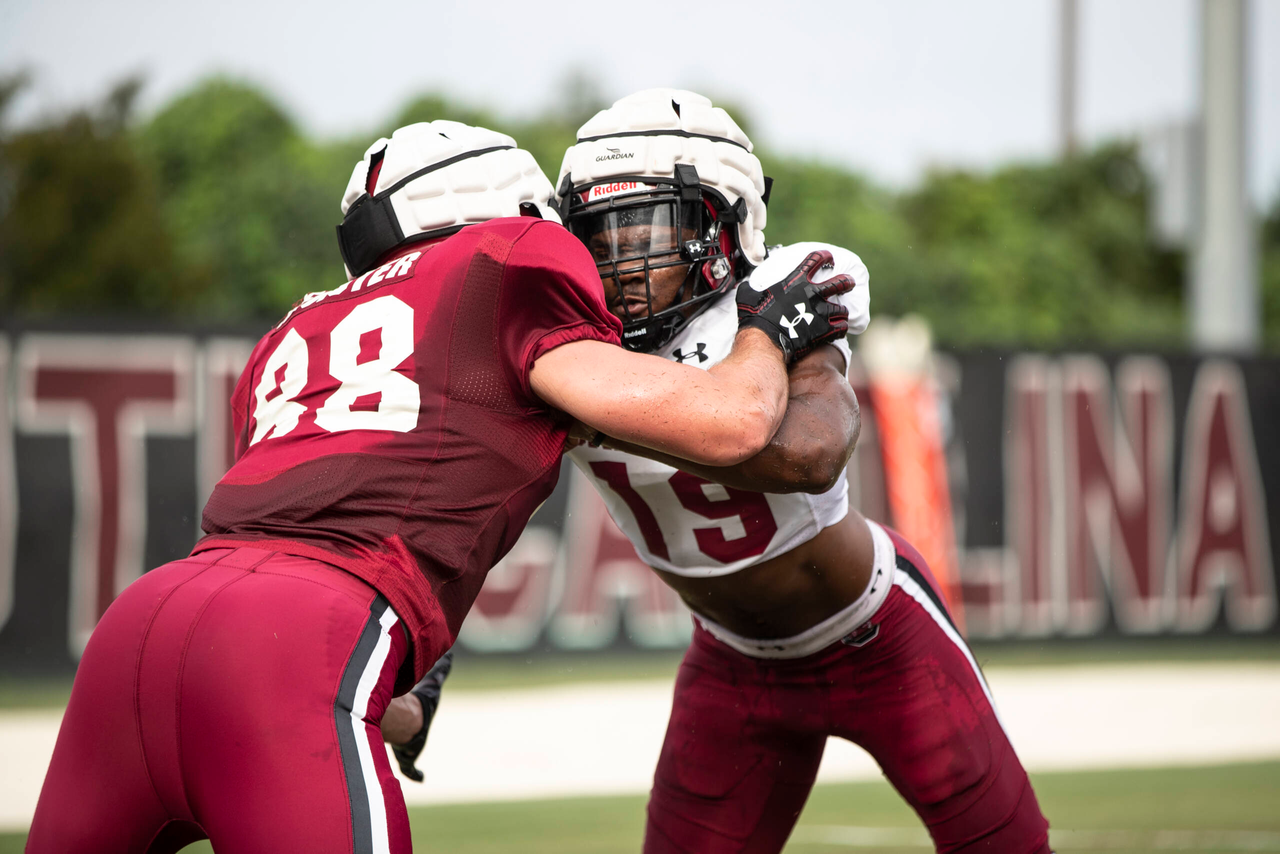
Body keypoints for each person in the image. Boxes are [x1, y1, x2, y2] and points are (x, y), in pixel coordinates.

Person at [25, 119, 852, 854]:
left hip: (138, 629)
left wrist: (396, 705)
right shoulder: (505, 262)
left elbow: (276, 595)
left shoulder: (291, 333)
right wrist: (765, 330)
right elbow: (735, 424)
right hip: (303, 635)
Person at [557, 90, 1051, 854]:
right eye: (601, 232)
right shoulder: (564, 342)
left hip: (878, 636)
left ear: (722, 223)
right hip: (731, 665)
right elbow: (472, 504)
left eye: (647, 226)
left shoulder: (776, 292)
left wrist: (617, 416)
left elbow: (816, 453)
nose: (622, 259)